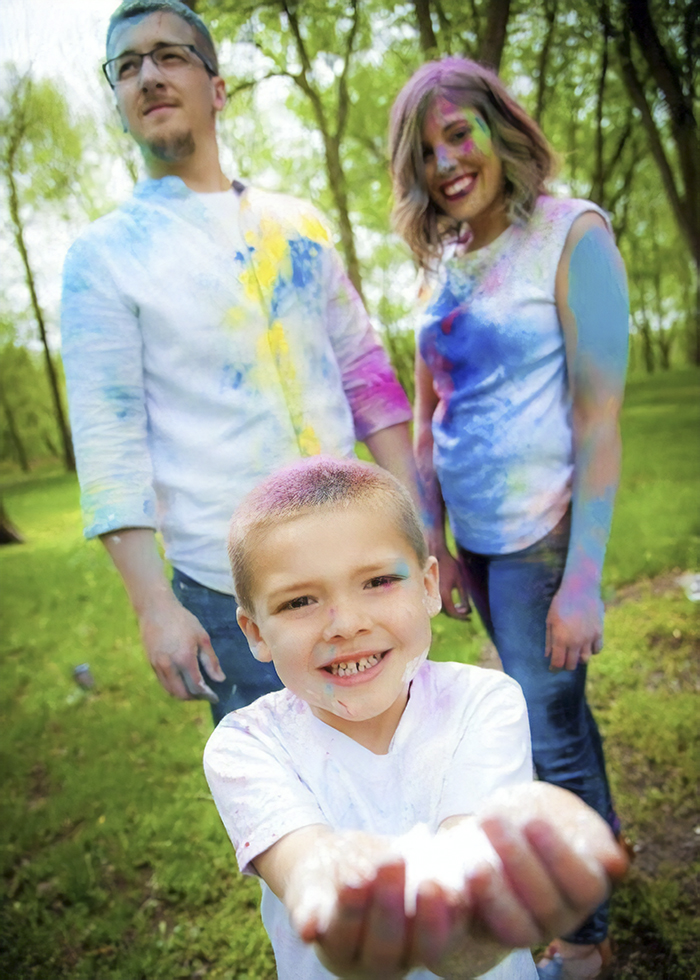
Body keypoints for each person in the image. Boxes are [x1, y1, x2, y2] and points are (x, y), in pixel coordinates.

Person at [60, 0, 414, 724]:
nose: (149, 76)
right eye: (127, 67)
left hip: (357, 556)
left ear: (217, 88)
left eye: (170, 56)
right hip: (229, 592)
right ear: (119, 103)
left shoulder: (300, 223)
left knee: (401, 764)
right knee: (291, 809)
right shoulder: (104, 257)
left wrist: (413, 518)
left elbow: (368, 379)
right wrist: (154, 606)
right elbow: (108, 442)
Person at [203, 455, 629, 980]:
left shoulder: (483, 701)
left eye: (378, 581)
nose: (347, 623)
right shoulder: (245, 745)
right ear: (255, 633)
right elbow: (305, 867)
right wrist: (339, 912)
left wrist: (473, 910)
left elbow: (467, 852)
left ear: (429, 586)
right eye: (299, 602)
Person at [388, 58, 630, 979]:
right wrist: (437, 547)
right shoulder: (442, 265)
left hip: (542, 536)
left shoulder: (573, 234)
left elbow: (598, 417)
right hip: (479, 549)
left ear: (500, 130)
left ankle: (585, 938)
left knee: (547, 731)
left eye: (461, 133)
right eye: (427, 149)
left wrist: (582, 578)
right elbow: (425, 419)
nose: (448, 161)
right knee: (562, 716)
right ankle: (601, 859)